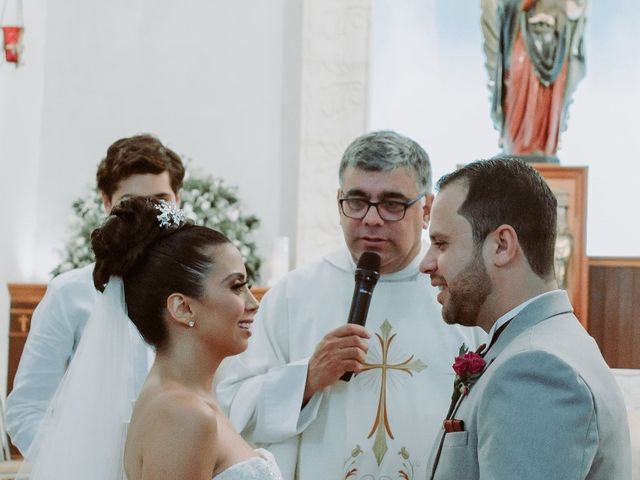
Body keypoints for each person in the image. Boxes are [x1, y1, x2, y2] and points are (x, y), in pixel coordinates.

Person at [217, 130, 484, 480]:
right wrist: (307, 378)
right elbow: (230, 408)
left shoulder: (460, 298)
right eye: (357, 201)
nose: (371, 219)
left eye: (392, 204)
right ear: (339, 202)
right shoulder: (293, 296)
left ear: (427, 208)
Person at [17, 197, 283, 479]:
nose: (254, 303)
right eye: (236, 286)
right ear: (182, 307)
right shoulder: (184, 415)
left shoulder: (189, 399)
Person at [421, 158, 631, 479]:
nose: (426, 263)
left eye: (440, 243)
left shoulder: (535, 369)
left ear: (502, 246)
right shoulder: (543, 343)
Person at [6, 134, 185, 455]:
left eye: (161, 199)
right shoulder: (68, 293)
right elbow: (26, 409)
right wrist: (76, 466)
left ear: (178, 199)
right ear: (106, 202)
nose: (148, 215)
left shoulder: (197, 289)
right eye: (131, 201)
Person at [480, 0, 587, 162]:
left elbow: (575, 8)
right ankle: (517, 146)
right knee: (517, 87)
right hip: (521, 33)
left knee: (548, 98)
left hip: (554, 41)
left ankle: (544, 147)